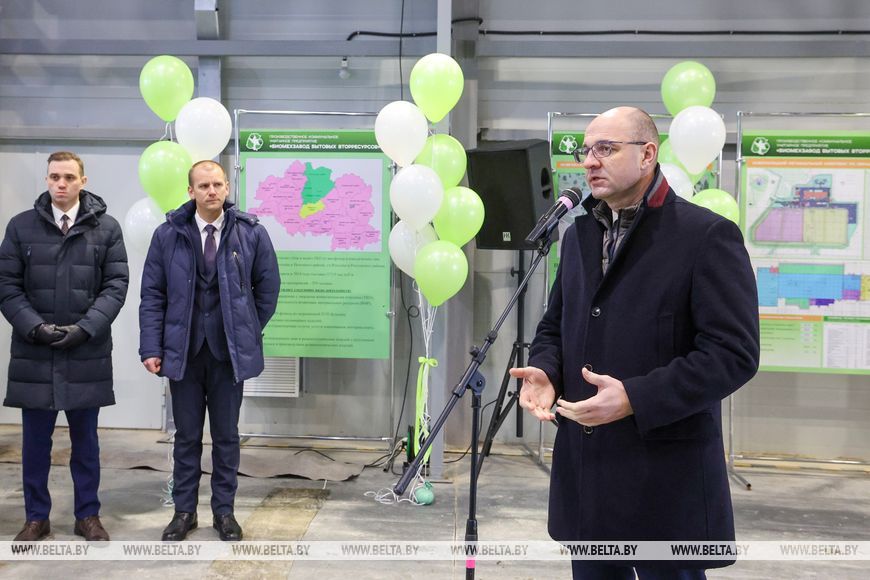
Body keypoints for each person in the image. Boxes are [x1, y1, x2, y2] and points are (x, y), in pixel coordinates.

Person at [510, 107, 760, 579]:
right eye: (586, 150)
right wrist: (545, 369)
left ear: (647, 155)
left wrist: (634, 398)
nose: (590, 161)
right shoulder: (580, 235)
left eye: (605, 149)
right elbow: (556, 325)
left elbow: (734, 354)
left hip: (664, 477)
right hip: (589, 475)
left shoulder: (705, 236)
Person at [139, 160, 280, 542]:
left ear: (227, 187)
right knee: (186, 436)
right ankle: (184, 512)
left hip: (227, 356)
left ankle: (224, 513)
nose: (212, 191)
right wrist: (151, 346)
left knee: (226, 437)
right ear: (191, 191)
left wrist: (245, 329)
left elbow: (267, 289)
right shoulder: (167, 235)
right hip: (182, 354)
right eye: (203, 186)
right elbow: (152, 294)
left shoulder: (251, 233)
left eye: (217, 184)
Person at [0, 151, 129, 541]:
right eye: (55, 176)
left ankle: (87, 515)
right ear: (46, 180)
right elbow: (7, 285)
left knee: (86, 443)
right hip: (34, 353)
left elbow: (116, 286)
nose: (61, 183)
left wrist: (85, 329)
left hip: (86, 352)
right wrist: (34, 328)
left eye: (69, 177)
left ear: (83, 182)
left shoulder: (107, 229)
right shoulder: (20, 227)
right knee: (34, 445)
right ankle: (36, 517)